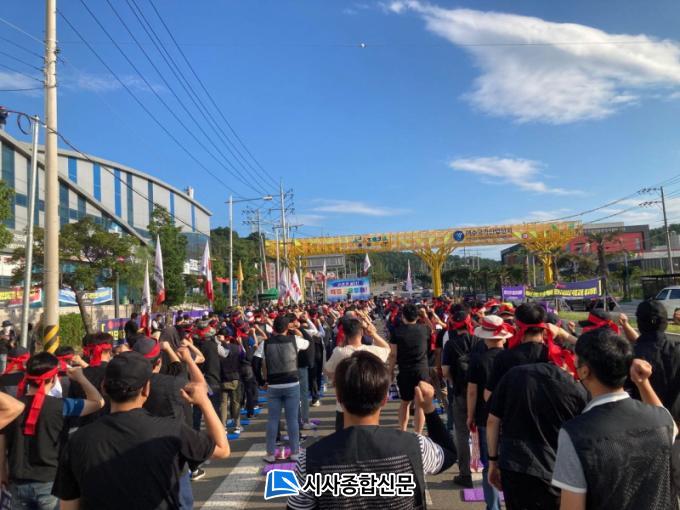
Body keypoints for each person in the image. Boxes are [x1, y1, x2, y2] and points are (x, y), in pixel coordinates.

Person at [52, 351, 230, 509]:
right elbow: (222, 450)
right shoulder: (172, 430)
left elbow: (68, 505)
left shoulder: (78, 440)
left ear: (104, 387)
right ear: (146, 389)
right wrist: (204, 402)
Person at [287, 351, 457, 510]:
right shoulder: (416, 447)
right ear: (384, 399)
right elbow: (448, 453)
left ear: (338, 397)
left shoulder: (309, 460)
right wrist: (429, 409)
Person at [551, 329, 676, 510]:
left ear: (584, 371)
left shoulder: (575, 433)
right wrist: (642, 382)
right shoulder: (662, 421)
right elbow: (669, 422)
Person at [486, 341, 588, 510]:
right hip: (553, 468)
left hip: (514, 464)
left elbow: (492, 421)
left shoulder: (514, 375)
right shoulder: (575, 386)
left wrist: (492, 461)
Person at [1, 353, 104, 509]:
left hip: (17, 480)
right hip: (50, 482)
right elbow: (98, 402)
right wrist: (81, 378)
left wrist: (2, 471)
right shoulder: (62, 406)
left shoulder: (12, 407)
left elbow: (2, 441)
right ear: (54, 379)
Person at [466, 315, 511, 510]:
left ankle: (492, 506)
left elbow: (472, 391)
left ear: (485, 337)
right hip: (510, 418)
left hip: (485, 417)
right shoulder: (513, 358)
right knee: (510, 464)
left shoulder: (478, 360)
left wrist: (470, 415)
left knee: (489, 464)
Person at [324, 316, 391, 432]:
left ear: (345, 334)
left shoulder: (339, 352)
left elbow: (327, 369)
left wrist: (337, 377)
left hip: (345, 406)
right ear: (361, 332)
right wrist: (373, 334)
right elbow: (387, 348)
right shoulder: (372, 350)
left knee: (343, 438)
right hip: (369, 403)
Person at [442, 308, 483, 488]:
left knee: (461, 434)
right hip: (480, 393)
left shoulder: (450, 345)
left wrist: (453, 381)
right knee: (484, 431)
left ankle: (465, 473)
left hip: (460, 392)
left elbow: (445, 371)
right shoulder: (479, 341)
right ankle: (489, 467)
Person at [262, 315, 310, 463]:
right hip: (292, 383)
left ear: (273, 328)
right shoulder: (295, 340)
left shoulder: (265, 343)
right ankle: (295, 452)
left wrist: (262, 381)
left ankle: (270, 453)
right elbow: (307, 343)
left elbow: (256, 362)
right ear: (287, 327)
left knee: (273, 420)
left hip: (273, 384)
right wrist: (296, 331)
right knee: (292, 420)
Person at [389, 303, 430, 434]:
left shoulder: (397, 332)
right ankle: (418, 434)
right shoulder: (424, 329)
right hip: (422, 370)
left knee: (405, 402)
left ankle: (403, 431)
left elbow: (393, 354)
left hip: (405, 370)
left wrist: (390, 371)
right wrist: (425, 316)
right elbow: (433, 328)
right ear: (417, 316)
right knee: (419, 404)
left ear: (403, 316)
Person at [218, 333, 243, 434]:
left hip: (223, 378)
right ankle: (237, 425)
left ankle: (223, 427)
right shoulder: (236, 348)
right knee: (236, 402)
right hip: (235, 377)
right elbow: (243, 357)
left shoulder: (218, 348)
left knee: (223, 404)